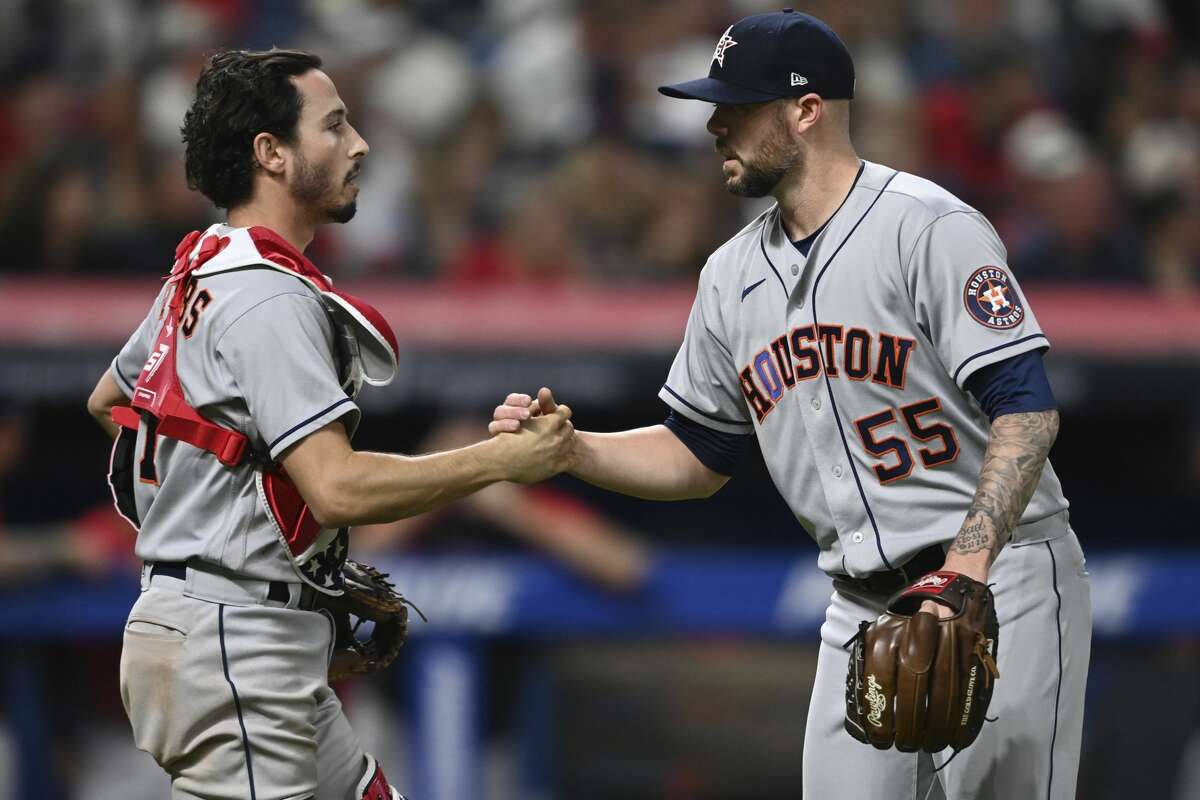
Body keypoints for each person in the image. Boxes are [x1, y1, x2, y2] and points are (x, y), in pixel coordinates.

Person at [491, 11, 1090, 799]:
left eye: (736, 107)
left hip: (997, 579)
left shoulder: (927, 227)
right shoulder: (729, 275)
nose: (714, 124)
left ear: (806, 111)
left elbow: (1027, 409)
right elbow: (700, 454)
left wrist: (965, 574)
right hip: (859, 606)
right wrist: (575, 450)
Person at [85, 49, 576, 800]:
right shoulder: (266, 298)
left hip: (227, 623)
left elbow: (109, 403)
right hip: (234, 638)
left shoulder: (205, 264)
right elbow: (339, 488)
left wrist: (218, 523)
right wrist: (499, 461)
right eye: (335, 126)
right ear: (271, 154)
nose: (360, 145)